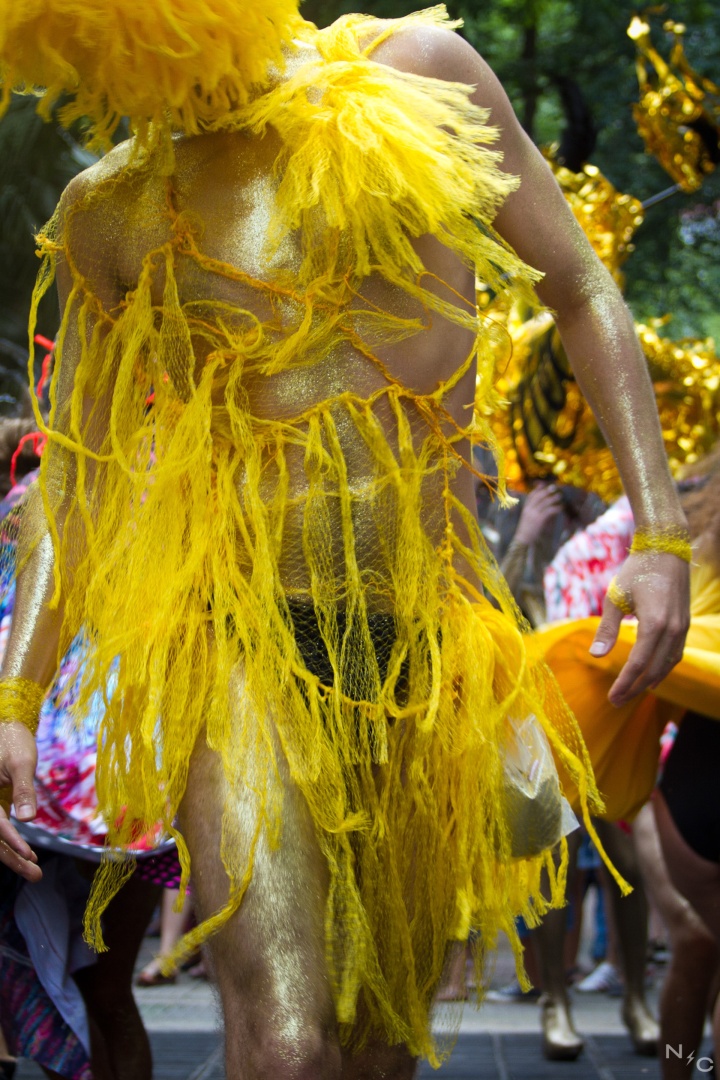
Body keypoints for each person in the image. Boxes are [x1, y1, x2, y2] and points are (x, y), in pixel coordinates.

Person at [0, 4, 691, 1078]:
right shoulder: (113, 207)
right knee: (284, 1043)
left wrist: (662, 533)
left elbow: (580, 286)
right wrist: (14, 700)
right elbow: (76, 476)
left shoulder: (415, 74)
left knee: (377, 1047)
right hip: (242, 648)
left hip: (427, 650)